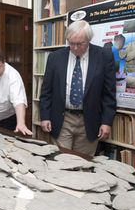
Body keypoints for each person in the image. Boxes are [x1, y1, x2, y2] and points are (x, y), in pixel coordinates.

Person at [40, 20, 116, 156]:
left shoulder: (104, 57)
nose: (74, 48)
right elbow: (46, 91)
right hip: (63, 119)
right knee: (60, 160)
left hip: (90, 121)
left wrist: (106, 122)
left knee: (83, 163)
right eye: (71, 43)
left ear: (89, 40)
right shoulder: (55, 58)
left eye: (79, 44)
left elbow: (108, 94)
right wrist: (45, 116)